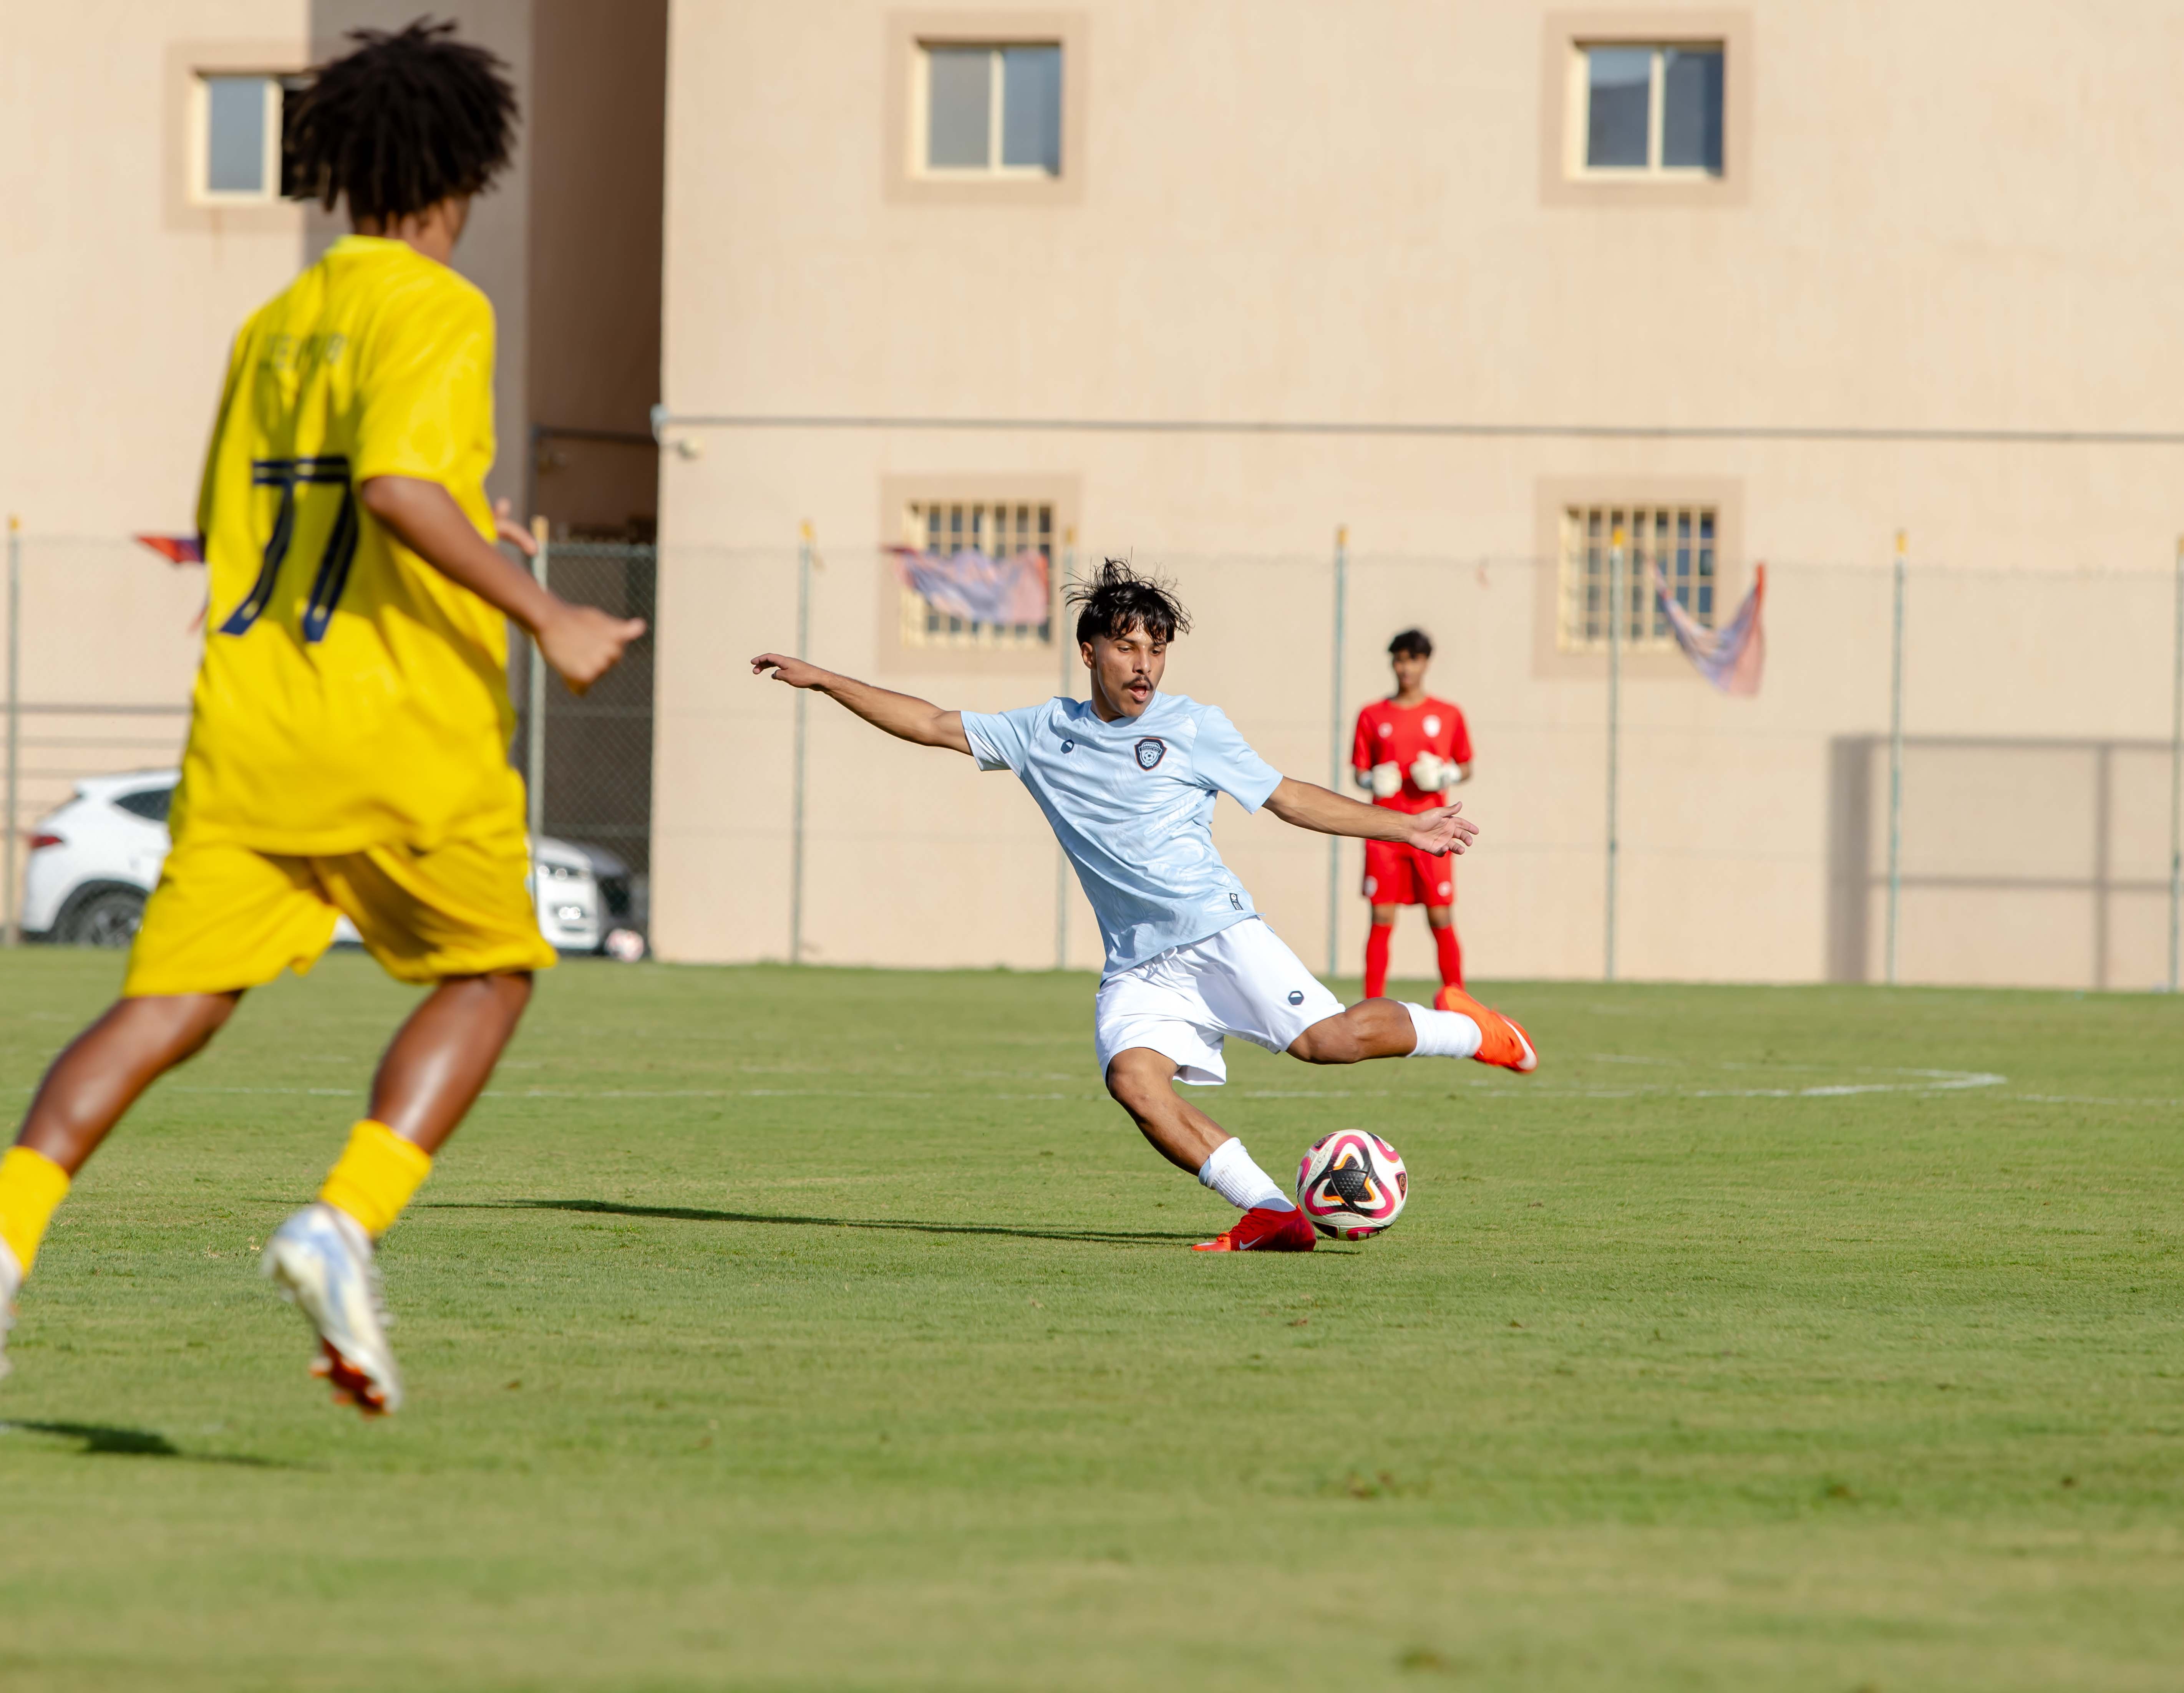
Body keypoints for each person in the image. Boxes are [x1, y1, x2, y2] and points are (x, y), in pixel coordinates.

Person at [0, 22, 644, 1414]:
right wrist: (549, 611)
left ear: (335, 167)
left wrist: (485, 530)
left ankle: (0, 1248)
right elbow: (397, 493)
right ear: (469, 161)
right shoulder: (438, 307)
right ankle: (340, 1221)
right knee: (488, 974)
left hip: (249, 723)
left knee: (164, 1002)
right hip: (396, 723)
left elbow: (284, 512)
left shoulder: (272, 325)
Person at [751, 560, 1536, 1254]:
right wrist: (825, 678)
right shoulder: (1040, 732)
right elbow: (927, 721)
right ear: (1089, 648)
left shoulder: (1192, 726)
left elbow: (1288, 796)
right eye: (1128, 646)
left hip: (1219, 931)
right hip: (1138, 961)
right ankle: (1270, 1212)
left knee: (1327, 1042)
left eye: (1156, 649)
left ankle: (1473, 1028)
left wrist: (1405, 823)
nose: (1144, 665)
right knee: (1134, 1081)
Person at [1352, 628, 1473, 999]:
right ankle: (1373, 1004)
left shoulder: (1448, 713)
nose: (1405, 668)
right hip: (1386, 831)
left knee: (1440, 916)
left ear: (1425, 663)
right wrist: (1374, 778)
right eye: (1400, 660)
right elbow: (1359, 771)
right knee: (1382, 918)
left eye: (1412, 660)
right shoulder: (1372, 715)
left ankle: (1458, 1001)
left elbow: (1466, 765)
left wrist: (1445, 773)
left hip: (1433, 829)